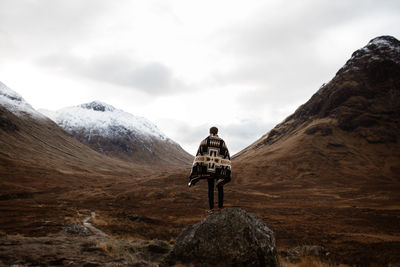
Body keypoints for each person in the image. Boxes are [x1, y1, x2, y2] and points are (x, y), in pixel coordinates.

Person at [188, 126, 231, 212]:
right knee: (220, 187)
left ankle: (211, 208)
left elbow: (199, 156)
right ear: (217, 132)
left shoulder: (204, 142)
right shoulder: (222, 142)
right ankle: (220, 207)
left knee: (210, 188)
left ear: (209, 132)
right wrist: (224, 168)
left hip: (208, 169)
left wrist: (198, 168)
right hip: (219, 169)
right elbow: (226, 157)